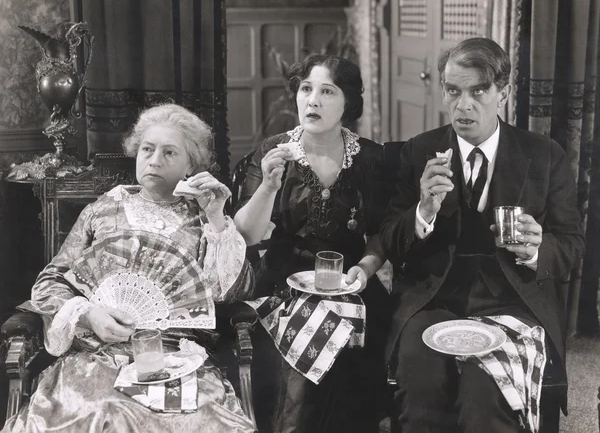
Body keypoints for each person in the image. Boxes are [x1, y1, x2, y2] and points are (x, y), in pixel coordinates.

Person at [2, 103, 256, 433]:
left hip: (176, 359)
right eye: (147, 149)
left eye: (169, 153)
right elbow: (51, 281)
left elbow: (235, 291)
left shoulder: (204, 218)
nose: (154, 160)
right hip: (99, 355)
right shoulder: (104, 208)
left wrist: (217, 218)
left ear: (190, 165)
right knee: (104, 411)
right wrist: (88, 314)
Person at [380, 37, 585, 433]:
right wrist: (422, 210)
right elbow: (390, 240)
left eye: (478, 91)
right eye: (453, 91)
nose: (464, 104)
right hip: (435, 298)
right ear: (442, 90)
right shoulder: (418, 152)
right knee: (421, 384)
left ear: (502, 93)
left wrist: (537, 249)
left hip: (512, 301)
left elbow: (572, 245)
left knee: (486, 394)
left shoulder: (543, 155)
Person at [234, 54, 390, 432]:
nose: (313, 100)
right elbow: (246, 234)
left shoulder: (369, 156)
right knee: (302, 368)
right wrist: (269, 186)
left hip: (352, 283)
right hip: (283, 283)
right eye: (306, 89)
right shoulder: (275, 150)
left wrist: (367, 268)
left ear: (348, 103)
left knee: (356, 347)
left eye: (327, 91)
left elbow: (385, 231)